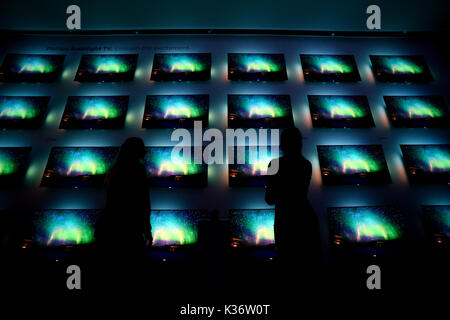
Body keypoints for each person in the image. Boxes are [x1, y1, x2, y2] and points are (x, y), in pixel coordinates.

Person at [94, 137, 152, 291]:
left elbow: (110, 202)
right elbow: (144, 202)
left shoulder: (114, 170)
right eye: (142, 148)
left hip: (108, 227)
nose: (145, 151)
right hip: (129, 230)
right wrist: (147, 229)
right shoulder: (138, 170)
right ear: (137, 151)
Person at [265, 127, 320, 280]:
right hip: (306, 218)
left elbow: (269, 199)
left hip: (285, 221)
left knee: (287, 268)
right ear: (299, 143)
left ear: (282, 144)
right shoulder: (307, 164)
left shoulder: (274, 164)